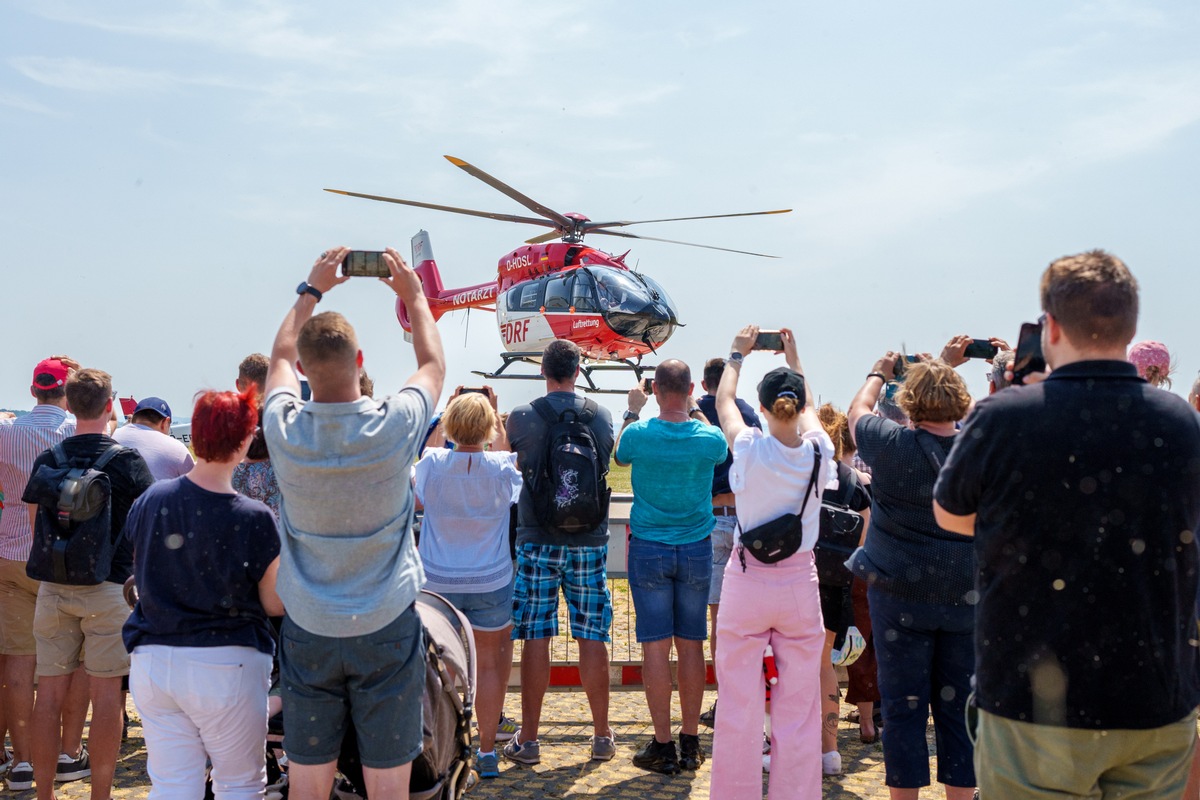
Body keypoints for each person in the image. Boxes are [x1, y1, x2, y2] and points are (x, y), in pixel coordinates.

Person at [933, 250, 1200, 799]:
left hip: (1036, 703)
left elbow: (951, 514)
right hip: (1153, 696)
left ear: (1050, 327)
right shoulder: (1181, 423)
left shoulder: (1004, 417)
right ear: (1129, 328)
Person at [261, 246, 444, 800]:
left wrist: (311, 291)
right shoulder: (395, 424)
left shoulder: (284, 429)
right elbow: (433, 365)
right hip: (385, 621)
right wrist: (413, 295)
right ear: (361, 360)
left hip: (310, 625)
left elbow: (276, 361)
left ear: (304, 370)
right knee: (388, 786)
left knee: (308, 783)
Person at [123, 387, 283, 799]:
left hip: (154, 660)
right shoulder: (254, 517)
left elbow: (142, 567)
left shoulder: (150, 499)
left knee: (173, 786)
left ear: (193, 436)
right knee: (239, 786)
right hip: (227, 663)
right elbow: (273, 602)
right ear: (247, 439)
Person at [708, 326, 833, 800]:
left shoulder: (748, 447)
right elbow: (814, 413)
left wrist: (736, 355)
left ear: (760, 408)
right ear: (800, 407)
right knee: (798, 710)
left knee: (738, 707)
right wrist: (795, 357)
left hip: (747, 582)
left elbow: (724, 402)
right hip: (800, 583)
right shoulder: (821, 452)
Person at [847, 355, 976, 800]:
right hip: (965, 594)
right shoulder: (978, 448)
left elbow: (857, 411)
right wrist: (949, 367)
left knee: (903, 710)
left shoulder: (889, 443)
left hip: (899, 594)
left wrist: (878, 371)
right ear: (961, 401)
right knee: (958, 712)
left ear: (908, 402)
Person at [24, 368, 155, 800]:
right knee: (105, 698)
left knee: (48, 698)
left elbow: (34, 528)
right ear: (109, 404)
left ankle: (44, 794)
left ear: (68, 402)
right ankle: (100, 793)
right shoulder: (128, 462)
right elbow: (146, 529)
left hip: (55, 588)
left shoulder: (50, 459)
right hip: (109, 589)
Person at [504, 339, 615, 766]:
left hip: (537, 539)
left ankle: (529, 741)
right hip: (589, 540)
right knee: (593, 634)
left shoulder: (523, 417)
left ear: (542, 371)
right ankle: (602, 735)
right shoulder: (601, 416)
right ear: (579, 368)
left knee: (536, 634)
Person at [614, 361, 725, 774]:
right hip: (696, 547)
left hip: (649, 546)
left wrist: (632, 408)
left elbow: (619, 456)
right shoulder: (707, 436)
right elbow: (720, 448)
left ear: (656, 389)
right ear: (691, 388)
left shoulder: (641, 433)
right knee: (692, 643)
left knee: (656, 646)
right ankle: (691, 741)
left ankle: (662, 744)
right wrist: (694, 407)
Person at [413, 388, 520, 780]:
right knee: (491, 666)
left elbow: (423, 474)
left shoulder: (432, 463)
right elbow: (505, 456)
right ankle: (488, 751)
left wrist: (446, 418)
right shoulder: (501, 467)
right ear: (491, 427)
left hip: (438, 581)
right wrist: (494, 412)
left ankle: (444, 751)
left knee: (439, 670)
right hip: (490, 578)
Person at [0, 357, 91, 791]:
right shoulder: (74, 432)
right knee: (69, 660)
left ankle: (21, 761)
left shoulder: (6, 433)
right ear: (67, 392)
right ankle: (66, 752)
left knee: (18, 660)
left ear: (34, 389)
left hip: (11, 550)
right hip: (61, 556)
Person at [695, 357, 762, 729]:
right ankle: (743, 698)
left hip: (710, 521)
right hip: (746, 520)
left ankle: (726, 701)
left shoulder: (698, 411)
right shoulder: (749, 413)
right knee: (747, 622)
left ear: (705, 383)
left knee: (720, 621)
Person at [814, 403, 873, 770]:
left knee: (787, 667)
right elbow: (863, 542)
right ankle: (830, 752)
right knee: (824, 668)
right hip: (836, 584)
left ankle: (789, 743)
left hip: (799, 578)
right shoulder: (853, 480)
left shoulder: (801, 472)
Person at [111, 397, 194, 480]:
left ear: (133, 418)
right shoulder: (178, 449)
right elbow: (194, 486)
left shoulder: (110, 436)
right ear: (165, 422)